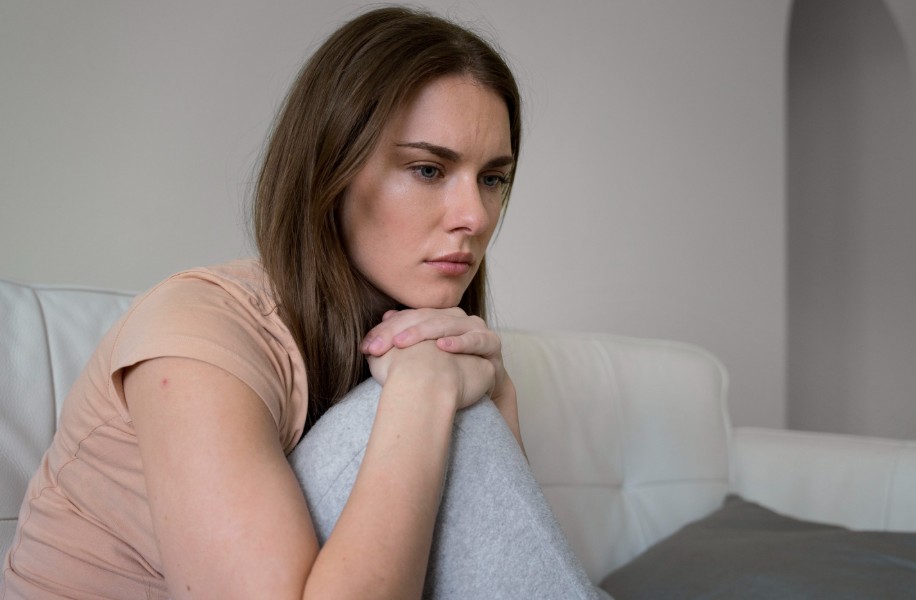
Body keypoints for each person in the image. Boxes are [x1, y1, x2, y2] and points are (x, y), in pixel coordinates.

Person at [2, 6, 598, 599]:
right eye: (427, 169)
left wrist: (498, 396)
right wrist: (423, 392)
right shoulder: (198, 332)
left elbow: (510, 565)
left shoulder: (409, 331)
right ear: (331, 171)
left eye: (492, 179)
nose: (474, 216)